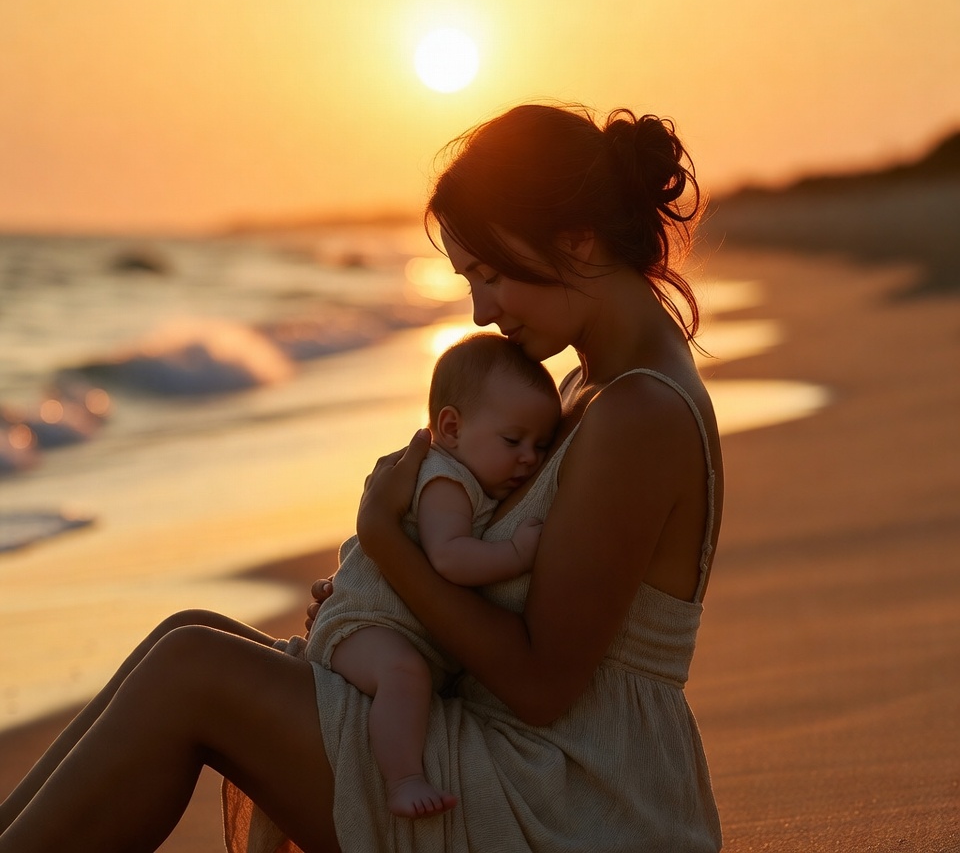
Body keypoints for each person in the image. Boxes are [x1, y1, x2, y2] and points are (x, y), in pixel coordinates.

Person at [0, 102, 724, 853]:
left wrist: (387, 543)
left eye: (491, 274)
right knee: (191, 633)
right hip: (538, 758)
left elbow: (542, 685)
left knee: (194, 671)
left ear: (575, 239)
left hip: (575, 796)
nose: (480, 310)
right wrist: (378, 609)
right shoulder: (591, 387)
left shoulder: (639, 412)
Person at [279, 332, 560, 819]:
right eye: (513, 441)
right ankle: (403, 778)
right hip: (363, 626)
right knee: (404, 675)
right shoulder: (445, 481)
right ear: (450, 427)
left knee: (407, 674)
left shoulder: (475, 476)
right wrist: (516, 553)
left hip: (384, 628)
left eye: (541, 445)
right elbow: (449, 558)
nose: (529, 458)